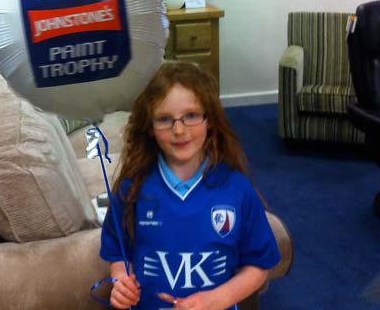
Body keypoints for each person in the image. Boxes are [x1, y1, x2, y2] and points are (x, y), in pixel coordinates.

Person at [100, 61, 280, 310]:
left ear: (210, 120)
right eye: (164, 119)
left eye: (191, 115)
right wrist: (120, 281)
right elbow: (119, 253)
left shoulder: (237, 190)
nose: (179, 129)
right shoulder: (131, 189)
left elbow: (259, 265)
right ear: (150, 127)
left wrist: (218, 299)